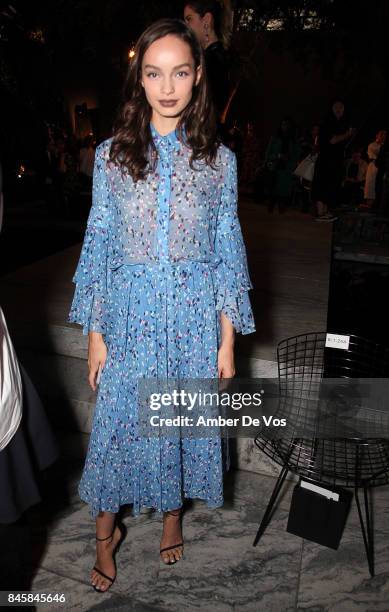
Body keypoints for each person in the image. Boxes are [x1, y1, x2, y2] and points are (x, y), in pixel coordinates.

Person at [68, 18, 255, 592]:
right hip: (129, 314)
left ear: (198, 77)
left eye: (179, 72)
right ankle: (107, 533)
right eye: (154, 73)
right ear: (139, 79)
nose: (167, 86)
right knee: (118, 430)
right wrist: (97, 333)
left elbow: (227, 246)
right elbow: (99, 241)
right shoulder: (110, 156)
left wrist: (226, 337)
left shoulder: (220, 161)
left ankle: (172, 518)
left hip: (194, 318)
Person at [184, 0, 231, 120]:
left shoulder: (210, 61)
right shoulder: (220, 57)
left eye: (189, 19)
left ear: (206, 20)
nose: (185, 26)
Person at [311, 99, 355, 222]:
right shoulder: (327, 123)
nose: (339, 109)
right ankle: (320, 213)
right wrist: (347, 134)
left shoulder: (342, 123)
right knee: (322, 184)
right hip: (326, 159)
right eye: (336, 106)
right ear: (331, 108)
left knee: (330, 184)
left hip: (335, 160)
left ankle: (324, 212)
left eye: (341, 107)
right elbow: (332, 140)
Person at [264, 117, 300, 213]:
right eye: (283, 124)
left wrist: (289, 159)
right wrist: (277, 156)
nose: (285, 127)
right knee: (273, 191)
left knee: (283, 192)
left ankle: (281, 212)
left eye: (287, 125)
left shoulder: (294, 140)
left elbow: (297, 155)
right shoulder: (275, 138)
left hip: (287, 169)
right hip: (275, 167)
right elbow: (268, 154)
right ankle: (270, 211)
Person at [363, 129, 387, 208]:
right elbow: (377, 153)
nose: (383, 136)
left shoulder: (384, 146)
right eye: (381, 134)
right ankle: (369, 204)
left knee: (380, 187)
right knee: (370, 186)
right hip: (373, 166)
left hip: (382, 167)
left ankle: (378, 204)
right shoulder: (372, 145)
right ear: (377, 135)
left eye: (384, 135)